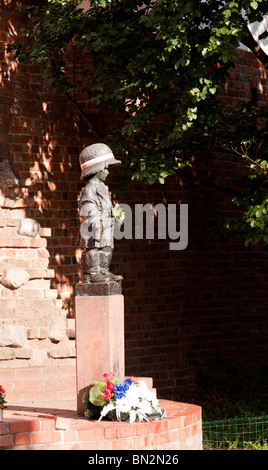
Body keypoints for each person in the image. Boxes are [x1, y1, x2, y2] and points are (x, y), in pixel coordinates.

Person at [77, 143, 123, 283]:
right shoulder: (90, 188)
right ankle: (92, 272)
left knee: (107, 246)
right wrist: (94, 217)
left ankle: (103, 270)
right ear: (98, 169)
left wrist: (114, 213)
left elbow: (107, 205)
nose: (108, 172)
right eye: (106, 168)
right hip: (94, 224)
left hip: (106, 223)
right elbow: (87, 204)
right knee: (93, 247)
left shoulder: (103, 187)